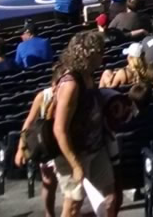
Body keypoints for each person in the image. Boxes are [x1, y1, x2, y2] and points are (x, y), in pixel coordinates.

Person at [48, 31, 123, 217]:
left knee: (110, 198)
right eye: (100, 52)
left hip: (96, 148)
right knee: (73, 206)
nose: (103, 56)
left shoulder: (89, 76)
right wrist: (75, 165)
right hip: (75, 153)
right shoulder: (71, 83)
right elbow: (59, 129)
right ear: (88, 54)